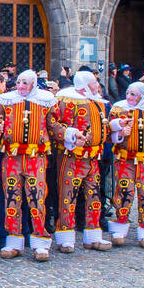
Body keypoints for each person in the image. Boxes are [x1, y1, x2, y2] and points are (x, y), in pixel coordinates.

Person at [0, 70, 57, 262]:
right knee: (11, 197)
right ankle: (13, 241)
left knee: (37, 199)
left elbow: (54, 126)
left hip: (35, 157)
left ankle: (40, 242)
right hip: (11, 157)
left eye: (25, 83)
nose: (21, 86)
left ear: (33, 84)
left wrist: (72, 135)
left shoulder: (46, 102)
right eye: (19, 82)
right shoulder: (5, 101)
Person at [49, 70, 112, 254]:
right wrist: (70, 135)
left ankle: (93, 235)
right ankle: (65, 236)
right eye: (94, 83)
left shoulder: (97, 103)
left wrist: (114, 129)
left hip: (93, 158)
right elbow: (55, 124)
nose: (97, 86)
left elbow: (103, 126)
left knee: (94, 197)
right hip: (72, 157)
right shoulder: (66, 100)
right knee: (68, 196)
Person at [107, 82, 144, 249]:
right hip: (126, 159)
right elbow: (108, 133)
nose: (129, 97)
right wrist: (118, 132)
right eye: (128, 93)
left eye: (133, 94)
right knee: (124, 191)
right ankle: (120, 223)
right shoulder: (118, 109)